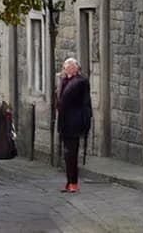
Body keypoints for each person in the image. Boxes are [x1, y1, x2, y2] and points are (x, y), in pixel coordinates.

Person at [56, 57, 90, 193]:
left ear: (75, 68)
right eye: (65, 67)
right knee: (67, 153)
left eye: (68, 67)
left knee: (72, 153)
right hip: (64, 122)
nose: (65, 69)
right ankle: (69, 181)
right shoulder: (64, 81)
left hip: (74, 122)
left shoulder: (81, 81)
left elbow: (85, 103)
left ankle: (73, 182)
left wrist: (85, 121)